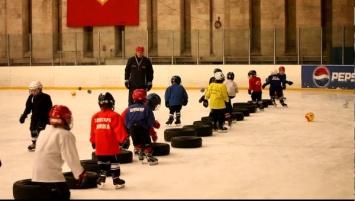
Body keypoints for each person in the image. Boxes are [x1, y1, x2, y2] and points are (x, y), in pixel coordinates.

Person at [32, 105, 88, 200]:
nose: (69, 121)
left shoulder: (43, 132)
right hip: (51, 177)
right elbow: (70, 157)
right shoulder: (64, 135)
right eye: (68, 118)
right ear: (63, 119)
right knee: (63, 195)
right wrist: (80, 173)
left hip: (37, 175)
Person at [90, 92, 129, 189]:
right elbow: (119, 130)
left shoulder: (95, 116)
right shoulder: (115, 116)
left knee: (101, 161)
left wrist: (93, 141)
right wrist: (125, 139)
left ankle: (101, 179)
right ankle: (116, 180)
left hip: (100, 147)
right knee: (114, 162)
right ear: (111, 103)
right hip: (111, 147)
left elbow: (93, 131)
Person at [124, 89, 159, 165]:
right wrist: (149, 128)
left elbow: (126, 120)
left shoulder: (129, 108)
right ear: (144, 98)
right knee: (146, 142)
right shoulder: (146, 108)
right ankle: (149, 156)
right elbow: (150, 120)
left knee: (136, 141)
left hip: (132, 128)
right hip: (142, 128)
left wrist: (129, 129)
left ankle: (139, 152)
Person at [19, 81, 53, 151]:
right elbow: (28, 108)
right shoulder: (31, 97)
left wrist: (50, 118)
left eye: (35, 91)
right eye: (32, 91)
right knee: (32, 130)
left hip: (43, 118)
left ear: (40, 89)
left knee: (40, 130)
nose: (33, 92)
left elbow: (50, 108)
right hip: (34, 118)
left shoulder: (46, 97)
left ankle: (42, 144)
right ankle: (34, 143)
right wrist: (23, 116)